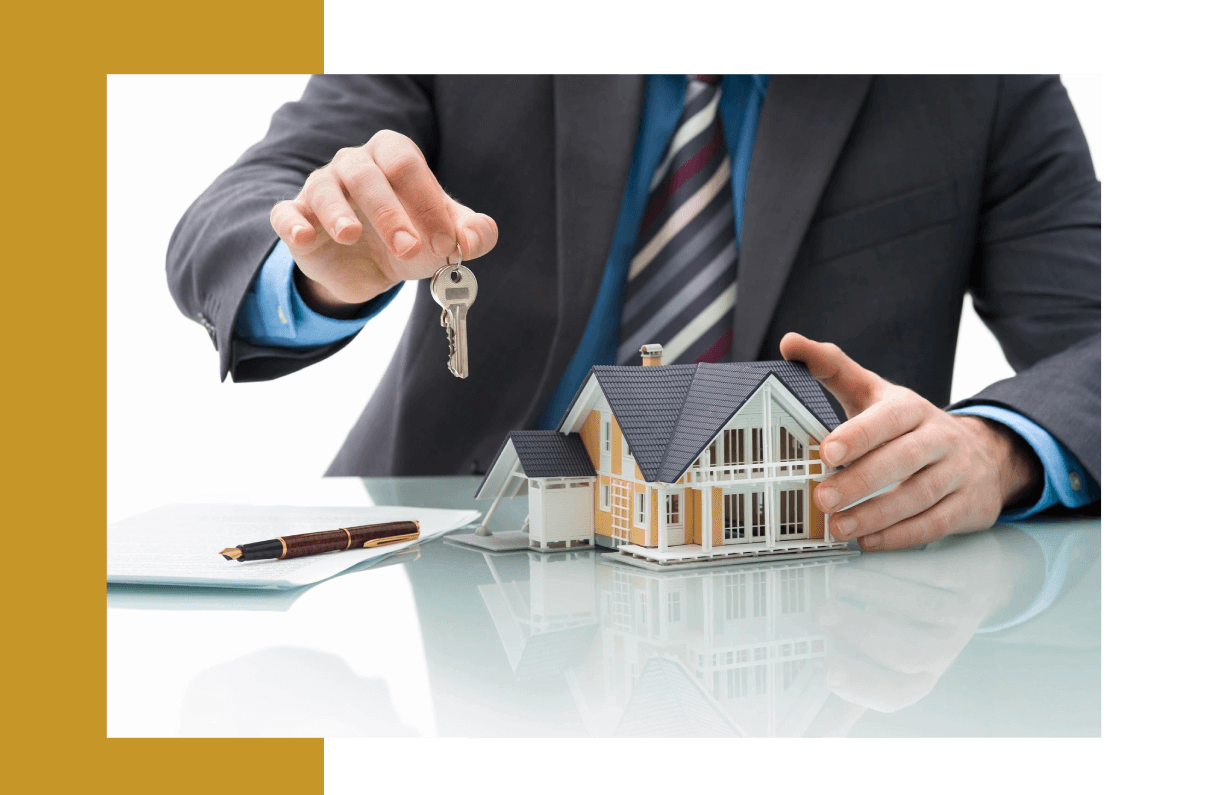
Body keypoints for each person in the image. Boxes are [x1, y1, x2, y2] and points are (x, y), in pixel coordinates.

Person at [167, 74, 1101, 551]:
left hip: (819, 599)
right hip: (452, 558)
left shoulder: (983, 86)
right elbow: (239, 208)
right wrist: (320, 261)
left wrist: (1000, 450)